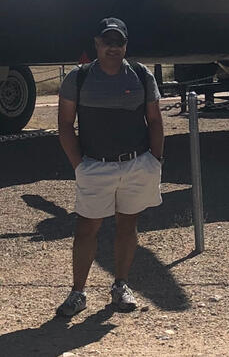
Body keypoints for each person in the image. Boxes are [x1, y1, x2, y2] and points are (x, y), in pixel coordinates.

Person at [55, 17, 164, 316]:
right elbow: (65, 124)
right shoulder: (78, 78)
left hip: (136, 163)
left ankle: (121, 285)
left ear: (126, 45)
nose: (113, 47)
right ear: (97, 43)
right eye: (108, 41)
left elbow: (154, 120)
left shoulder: (141, 75)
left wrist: (155, 160)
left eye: (119, 42)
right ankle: (78, 292)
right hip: (95, 166)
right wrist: (79, 165)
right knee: (86, 228)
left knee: (128, 225)